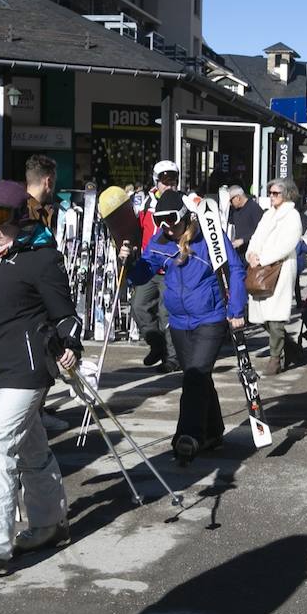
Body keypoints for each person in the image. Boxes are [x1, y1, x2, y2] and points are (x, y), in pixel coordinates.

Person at [0, 179, 82, 573]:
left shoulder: (41, 258)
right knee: (31, 449)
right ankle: (49, 523)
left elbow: (67, 315)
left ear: (19, 217)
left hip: (28, 371)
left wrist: (70, 343)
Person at [126, 191, 247, 463]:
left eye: (171, 219)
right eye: (160, 220)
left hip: (211, 317)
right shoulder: (160, 242)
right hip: (179, 322)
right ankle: (214, 431)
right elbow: (143, 273)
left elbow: (235, 269)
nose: (166, 226)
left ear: (184, 215)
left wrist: (236, 309)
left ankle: (188, 436)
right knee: (198, 377)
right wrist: (130, 261)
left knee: (194, 376)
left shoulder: (208, 237)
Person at [246, 178, 304, 374]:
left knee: (276, 316)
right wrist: (252, 254)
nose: (272, 196)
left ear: (286, 194)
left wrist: (263, 258)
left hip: (281, 267)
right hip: (261, 268)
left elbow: (288, 243)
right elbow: (256, 236)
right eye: (270, 192)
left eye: (276, 193)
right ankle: (289, 345)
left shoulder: (292, 215)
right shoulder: (268, 214)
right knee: (263, 316)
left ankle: (275, 358)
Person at [131, 160, 182, 372]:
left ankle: (173, 358)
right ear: (156, 181)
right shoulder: (143, 202)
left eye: (173, 181)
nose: (169, 185)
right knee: (138, 306)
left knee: (166, 313)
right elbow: (134, 227)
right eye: (164, 181)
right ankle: (157, 344)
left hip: (170, 266)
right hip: (149, 264)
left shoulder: (182, 201)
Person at [227, 185, 264, 257]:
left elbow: (261, 231)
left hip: (252, 253)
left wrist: (243, 240)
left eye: (231, 200)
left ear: (238, 197)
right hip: (239, 253)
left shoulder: (254, 208)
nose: (230, 203)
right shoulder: (235, 211)